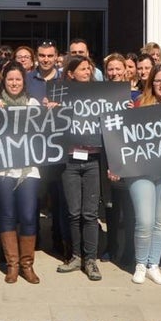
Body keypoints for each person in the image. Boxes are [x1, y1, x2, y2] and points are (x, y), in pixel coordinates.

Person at [119, 64, 161, 285]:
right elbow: (123, 135)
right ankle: (140, 264)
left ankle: (154, 264)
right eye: (157, 81)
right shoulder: (138, 104)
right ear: (150, 83)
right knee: (144, 221)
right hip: (140, 171)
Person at [0, 63, 45, 284]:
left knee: (29, 215)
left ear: (24, 81)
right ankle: (12, 265)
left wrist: (51, 111)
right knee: (7, 214)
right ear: (4, 81)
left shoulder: (33, 104)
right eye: (10, 79)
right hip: (2, 167)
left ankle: (27, 265)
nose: (14, 83)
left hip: (28, 169)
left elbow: (44, 130)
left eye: (18, 79)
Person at [55, 56, 105, 282]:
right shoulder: (60, 94)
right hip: (70, 161)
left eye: (90, 69)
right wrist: (52, 110)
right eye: (83, 69)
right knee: (74, 213)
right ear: (71, 73)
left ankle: (91, 259)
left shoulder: (101, 95)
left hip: (93, 160)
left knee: (90, 214)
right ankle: (76, 256)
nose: (87, 72)